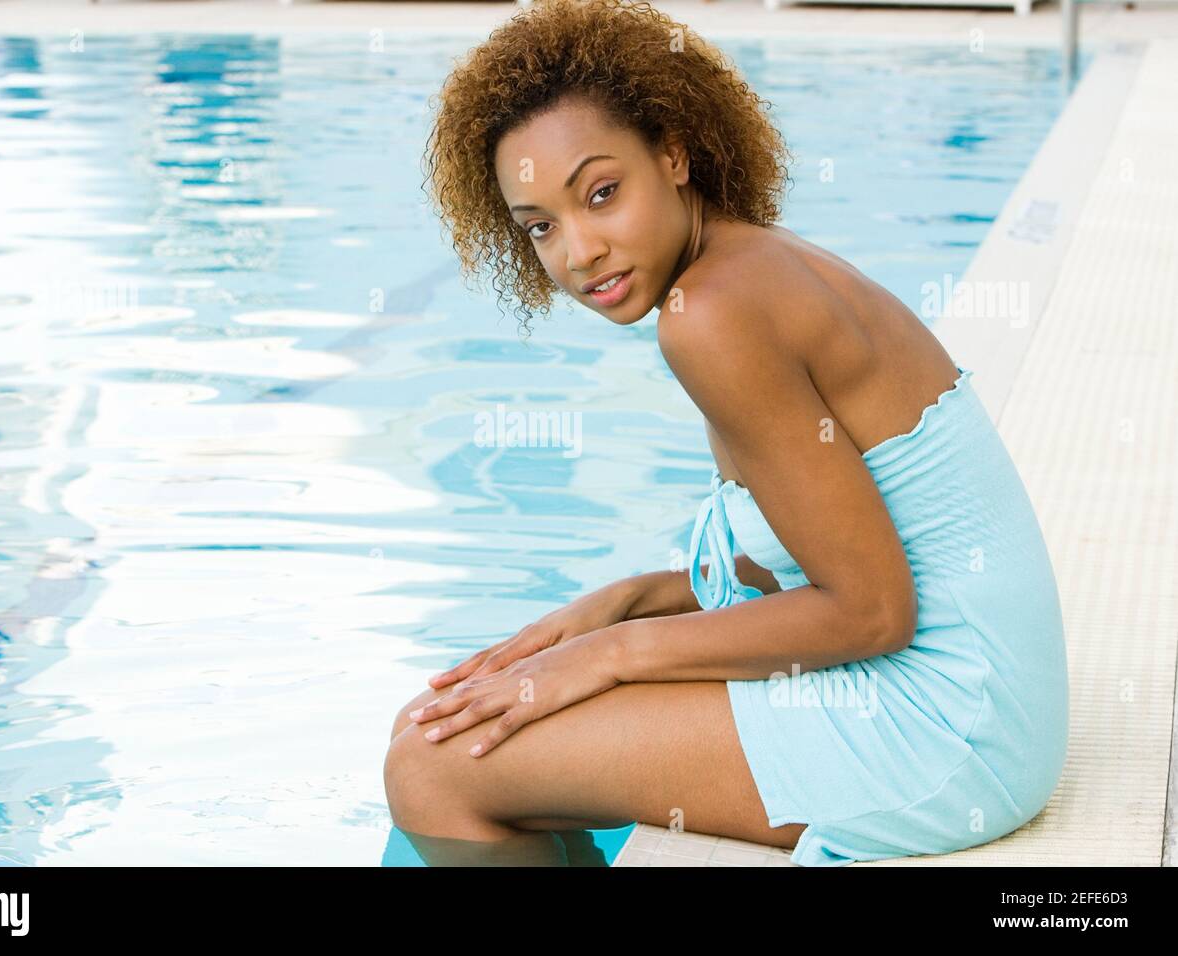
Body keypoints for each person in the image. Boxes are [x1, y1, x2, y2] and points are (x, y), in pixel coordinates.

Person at [384, 0, 1069, 866]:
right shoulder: (747, 268)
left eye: (601, 194)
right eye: (541, 227)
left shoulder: (709, 316)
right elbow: (804, 553)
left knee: (433, 766)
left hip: (947, 733)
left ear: (673, 152)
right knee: (479, 717)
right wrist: (619, 604)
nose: (580, 250)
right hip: (993, 710)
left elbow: (871, 611)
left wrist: (613, 656)